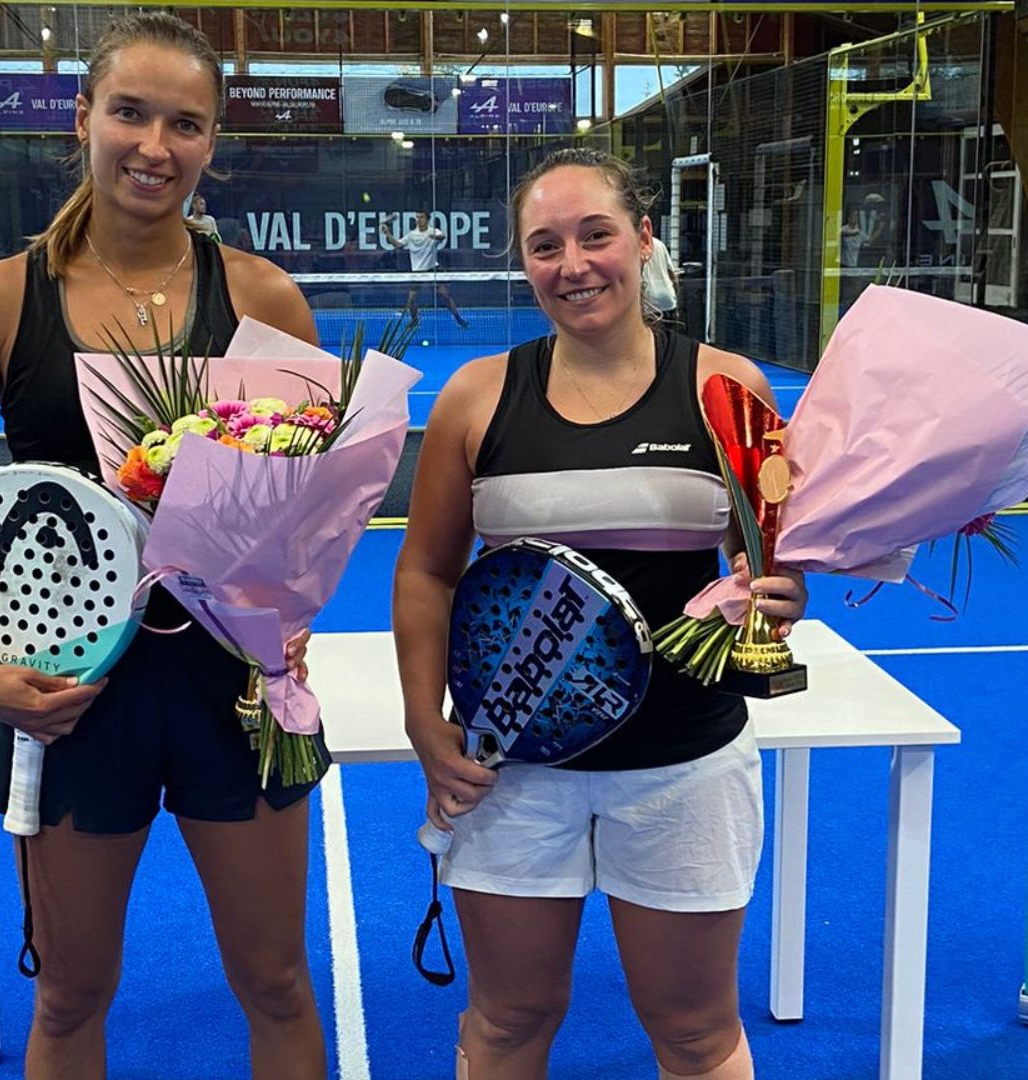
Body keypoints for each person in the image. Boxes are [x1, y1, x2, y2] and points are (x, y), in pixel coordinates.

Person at [0, 14, 329, 1079]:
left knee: (275, 982)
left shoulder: (261, 298)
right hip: (66, 698)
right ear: (83, 119)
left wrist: (290, 607)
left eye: (185, 124)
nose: (154, 146)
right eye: (130, 113)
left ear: (212, 143)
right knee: (71, 995)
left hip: (232, 691)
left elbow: (308, 499)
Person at [392, 148, 808, 1080]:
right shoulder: (476, 397)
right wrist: (424, 722)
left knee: (695, 1032)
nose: (573, 265)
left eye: (595, 235)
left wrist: (779, 594)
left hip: (685, 765)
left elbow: (763, 557)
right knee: (508, 1019)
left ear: (643, 238)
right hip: (511, 772)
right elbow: (425, 571)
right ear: (523, 261)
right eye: (545, 245)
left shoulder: (727, 388)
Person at [385, 210, 469, 329]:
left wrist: (435, 237)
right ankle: (414, 320)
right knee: (411, 300)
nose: (419, 220)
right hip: (417, 272)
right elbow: (397, 244)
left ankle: (459, 319)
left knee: (445, 295)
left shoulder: (433, 231)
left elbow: (442, 236)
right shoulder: (411, 235)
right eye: (417, 217)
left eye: (421, 217)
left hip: (432, 269)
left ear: (427, 220)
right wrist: (387, 233)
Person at [640, 220, 681, 328]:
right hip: (668, 300)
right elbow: (672, 275)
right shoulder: (659, 244)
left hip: (650, 304)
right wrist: (675, 299)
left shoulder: (634, 248)